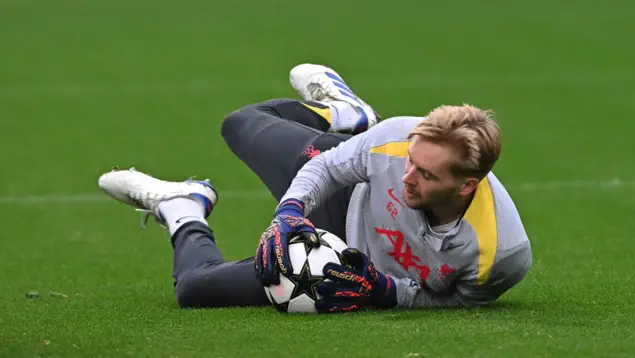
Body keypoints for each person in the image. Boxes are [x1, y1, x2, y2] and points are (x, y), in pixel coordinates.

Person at [98, 63, 532, 312]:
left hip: (342, 268)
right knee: (240, 124)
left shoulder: (499, 255)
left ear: (466, 186)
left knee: (194, 291)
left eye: (427, 175)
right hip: (343, 193)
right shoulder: (396, 139)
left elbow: (455, 304)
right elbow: (324, 170)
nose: (406, 177)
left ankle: (182, 206)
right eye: (411, 160)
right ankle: (344, 113)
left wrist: (385, 291)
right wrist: (289, 213)